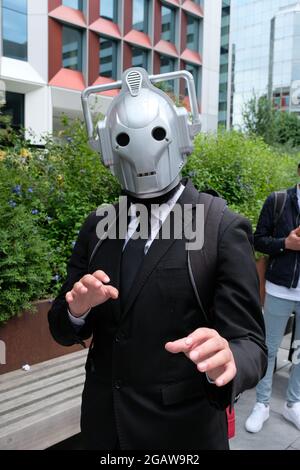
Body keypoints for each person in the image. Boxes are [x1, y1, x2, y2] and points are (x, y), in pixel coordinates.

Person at [48, 67, 267, 450]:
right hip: (103, 426)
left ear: (180, 135)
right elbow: (61, 326)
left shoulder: (220, 227)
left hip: (181, 436)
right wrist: (76, 310)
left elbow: (250, 341)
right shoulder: (99, 224)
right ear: (106, 148)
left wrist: (230, 358)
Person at [245, 168, 300, 433]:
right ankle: (262, 404)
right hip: (279, 288)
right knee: (268, 347)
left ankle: (293, 404)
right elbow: (259, 240)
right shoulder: (278, 201)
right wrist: (285, 244)